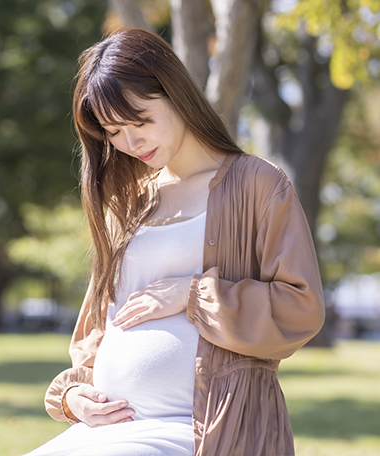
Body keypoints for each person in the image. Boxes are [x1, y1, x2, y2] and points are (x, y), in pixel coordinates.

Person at [25, 28, 325, 456]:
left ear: (175, 93)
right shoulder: (128, 202)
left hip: (202, 428)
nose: (130, 143)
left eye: (140, 120)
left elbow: (301, 307)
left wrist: (193, 294)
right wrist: (75, 395)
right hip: (110, 428)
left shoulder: (256, 184)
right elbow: (99, 322)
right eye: (112, 131)